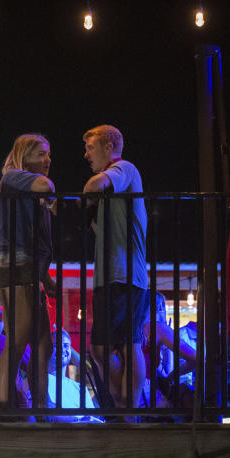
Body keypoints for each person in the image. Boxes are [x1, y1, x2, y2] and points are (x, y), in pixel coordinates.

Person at [82, 124, 149, 408]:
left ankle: (129, 409)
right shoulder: (114, 191)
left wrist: (90, 193)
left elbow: (92, 186)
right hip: (109, 275)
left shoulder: (124, 168)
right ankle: (123, 402)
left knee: (126, 343)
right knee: (99, 349)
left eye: (90, 148)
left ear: (109, 147)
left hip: (125, 274)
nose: (86, 155)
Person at [0, 134, 57, 411]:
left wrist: (45, 277)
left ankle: (41, 408)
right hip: (13, 265)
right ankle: (5, 411)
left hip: (28, 268)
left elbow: (39, 241)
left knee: (44, 344)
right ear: (24, 154)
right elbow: (46, 185)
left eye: (48, 154)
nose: (47, 160)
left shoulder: (26, 188)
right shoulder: (12, 176)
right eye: (41, 153)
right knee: (18, 339)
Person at [46, 329, 102, 423]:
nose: (62, 349)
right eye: (56, 345)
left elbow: (93, 416)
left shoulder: (80, 388)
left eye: (66, 346)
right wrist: (76, 420)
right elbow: (45, 415)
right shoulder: (39, 382)